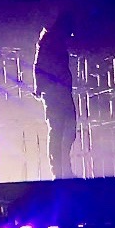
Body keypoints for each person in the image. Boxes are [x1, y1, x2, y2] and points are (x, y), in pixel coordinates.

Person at [33, 10, 77, 179]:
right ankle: (59, 172)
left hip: (59, 90)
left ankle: (62, 169)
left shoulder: (54, 39)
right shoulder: (50, 40)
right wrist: (42, 86)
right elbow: (39, 65)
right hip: (54, 92)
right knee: (59, 130)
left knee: (65, 129)